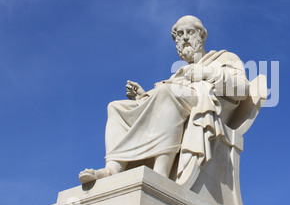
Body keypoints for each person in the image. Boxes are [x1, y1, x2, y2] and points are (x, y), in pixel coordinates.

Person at [79, 15, 249, 184]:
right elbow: (161, 103)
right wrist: (142, 96)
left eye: (190, 32)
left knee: (166, 93)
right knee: (116, 107)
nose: (185, 37)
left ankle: (160, 172)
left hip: (209, 105)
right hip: (179, 98)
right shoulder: (179, 73)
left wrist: (207, 73)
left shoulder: (224, 58)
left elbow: (243, 90)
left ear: (202, 36)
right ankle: (113, 168)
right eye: (180, 34)